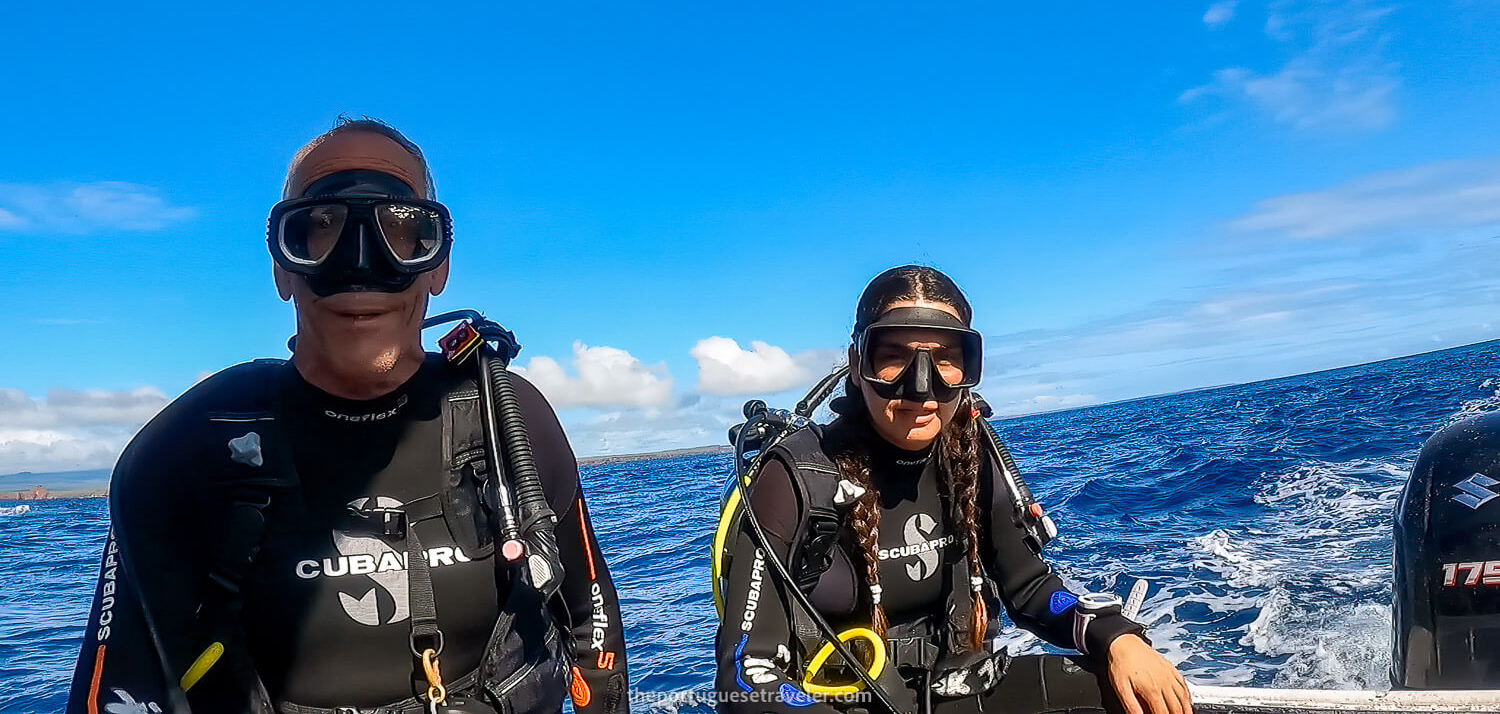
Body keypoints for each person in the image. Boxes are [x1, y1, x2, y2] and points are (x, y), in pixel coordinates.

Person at [66, 118, 629, 714]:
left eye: (403, 230)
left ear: (438, 265)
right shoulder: (184, 454)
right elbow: (113, 692)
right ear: (283, 267)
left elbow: (595, 634)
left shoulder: (512, 420)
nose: (361, 266)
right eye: (319, 228)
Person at [714, 265, 1192, 714]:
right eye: (893, 358)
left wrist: (1113, 636)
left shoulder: (971, 453)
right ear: (858, 365)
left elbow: (1029, 589)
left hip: (961, 692)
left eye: (946, 361)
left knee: (1125, 694)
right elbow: (744, 674)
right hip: (841, 703)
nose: (921, 388)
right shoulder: (797, 476)